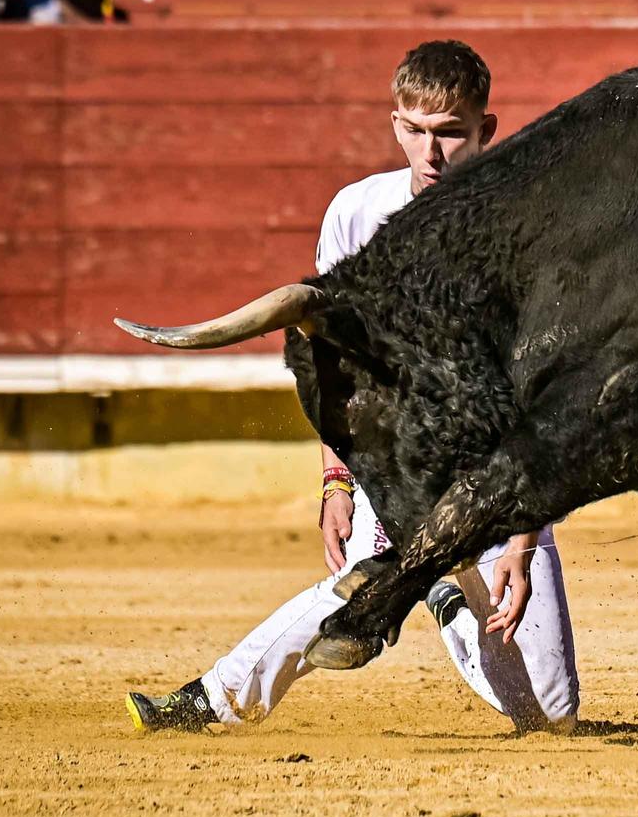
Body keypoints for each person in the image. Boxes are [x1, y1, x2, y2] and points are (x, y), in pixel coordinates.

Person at [125, 41, 582, 738]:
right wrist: (336, 481)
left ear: (486, 131)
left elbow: (541, 394)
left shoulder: (527, 235)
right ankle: (208, 699)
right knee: (364, 580)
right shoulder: (354, 213)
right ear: (396, 124)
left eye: (451, 132)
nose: (431, 153)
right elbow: (336, 360)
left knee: (552, 715)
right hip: (398, 458)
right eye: (416, 130)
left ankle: (443, 591)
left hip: (504, 469)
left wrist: (520, 537)